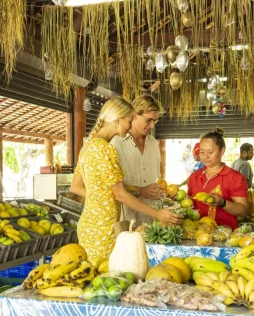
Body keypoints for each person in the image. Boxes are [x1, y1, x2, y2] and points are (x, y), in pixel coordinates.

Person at [70, 97, 182, 259]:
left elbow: (80, 186)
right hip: (104, 228)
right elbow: (120, 194)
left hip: (92, 224)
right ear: (117, 120)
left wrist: (102, 197)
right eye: (129, 121)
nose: (130, 126)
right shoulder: (106, 149)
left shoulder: (89, 146)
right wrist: (157, 214)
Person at [110, 95, 165, 226]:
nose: (152, 125)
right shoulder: (115, 144)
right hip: (125, 223)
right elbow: (110, 188)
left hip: (151, 223)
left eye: (155, 121)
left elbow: (155, 179)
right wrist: (140, 190)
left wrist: (164, 192)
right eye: (149, 120)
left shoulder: (153, 145)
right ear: (134, 115)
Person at [187, 127, 249, 229]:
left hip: (225, 236)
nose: (205, 156)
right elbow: (190, 203)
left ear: (222, 151)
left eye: (210, 152)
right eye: (202, 152)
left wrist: (222, 202)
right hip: (197, 234)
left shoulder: (235, 177)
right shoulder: (194, 176)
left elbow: (243, 211)